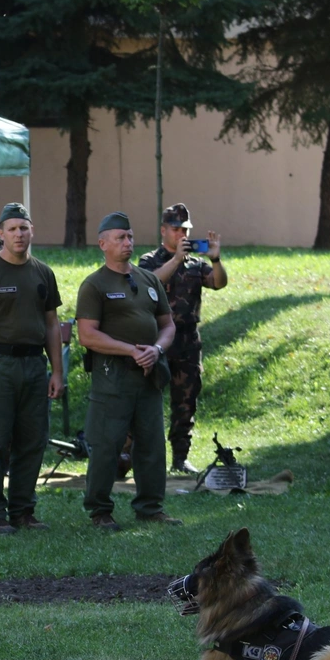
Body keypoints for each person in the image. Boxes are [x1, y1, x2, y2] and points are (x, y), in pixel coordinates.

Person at [0, 202, 65, 536]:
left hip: (34, 365)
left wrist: (57, 372)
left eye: (24, 228)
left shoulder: (42, 272)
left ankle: (23, 511)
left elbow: (52, 325)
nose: (19, 234)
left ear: (32, 231)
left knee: (32, 441)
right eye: (12, 229)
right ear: (1, 233)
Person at [76, 212, 182, 531]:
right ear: (103, 244)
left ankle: (150, 507)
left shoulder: (149, 280)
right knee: (107, 445)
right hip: (113, 376)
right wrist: (131, 350)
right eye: (120, 237)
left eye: (131, 236)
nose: (127, 242)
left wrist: (156, 349)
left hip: (148, 375)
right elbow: (88, 335)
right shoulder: (94, 285)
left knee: (151, 444)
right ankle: (100, 510)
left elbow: (168, 325)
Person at [137, 203, 228, 474]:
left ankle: (180, 457)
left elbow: (219, 283)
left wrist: (215, 259)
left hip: (187, 340)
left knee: (186, 402)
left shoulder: (195, 264)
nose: (181, 235)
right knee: (144, 400)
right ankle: (132, 455)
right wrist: (175, 259)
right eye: (176, 229)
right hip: (155, 340)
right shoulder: (149, 260)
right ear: (163, 230)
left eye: (185, 230)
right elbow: (148, 284)